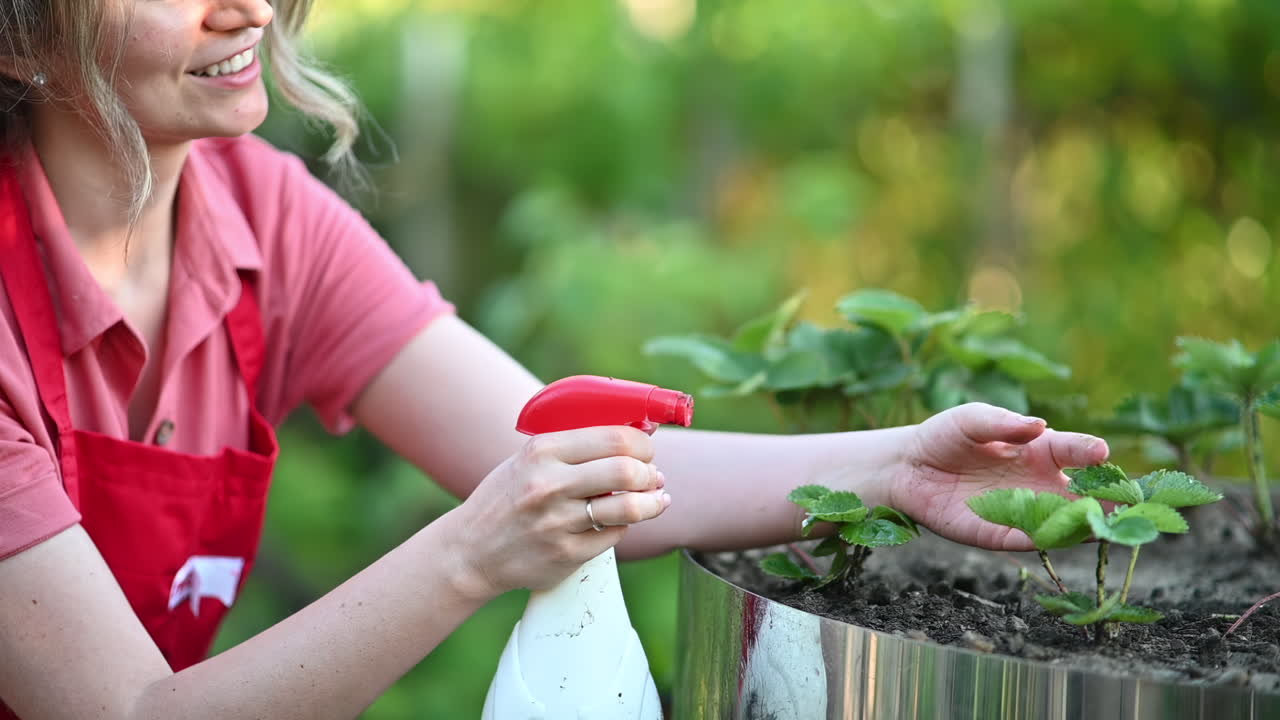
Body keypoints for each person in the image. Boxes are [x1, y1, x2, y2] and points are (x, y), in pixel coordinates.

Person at [0, 1, 1111, 718]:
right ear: (18, 35)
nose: (241, 6)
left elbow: (553, 444)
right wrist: (472, 555)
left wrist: (893, 469)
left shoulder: (259, 216)